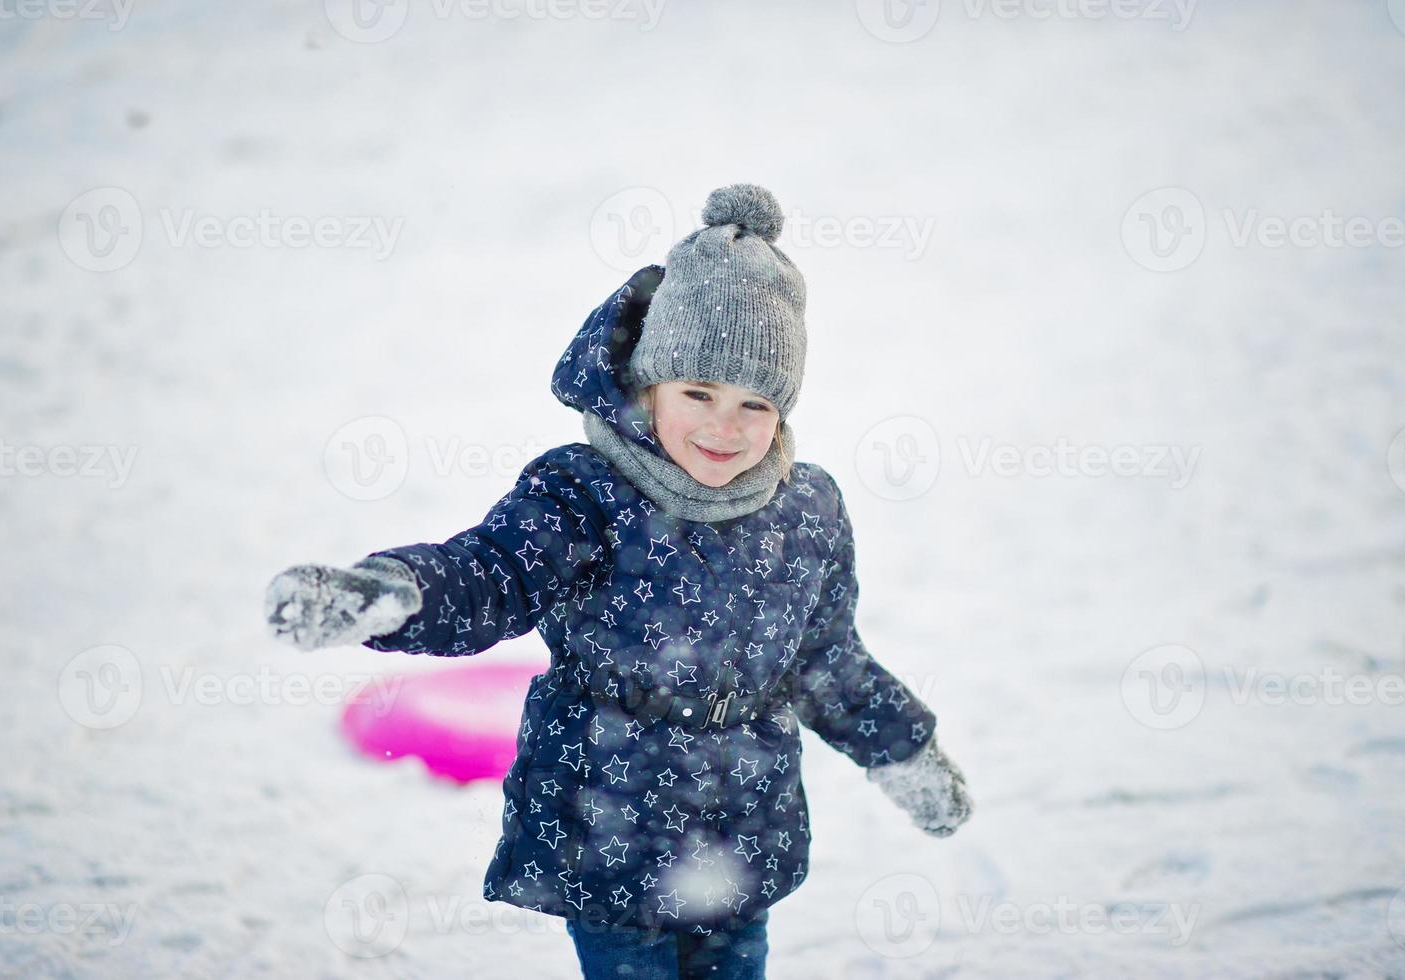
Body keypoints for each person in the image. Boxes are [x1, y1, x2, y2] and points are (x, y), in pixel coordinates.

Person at [265, 183, 973, 979]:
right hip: (608, 809)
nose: (723, 427)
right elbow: (494, 572)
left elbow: (823, 658)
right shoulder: (587, 494)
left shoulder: (803, 510)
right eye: (696, 393)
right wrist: (391, 592)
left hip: (740, 819)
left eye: (754, 404)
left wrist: (903, 751)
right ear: (647, 386)